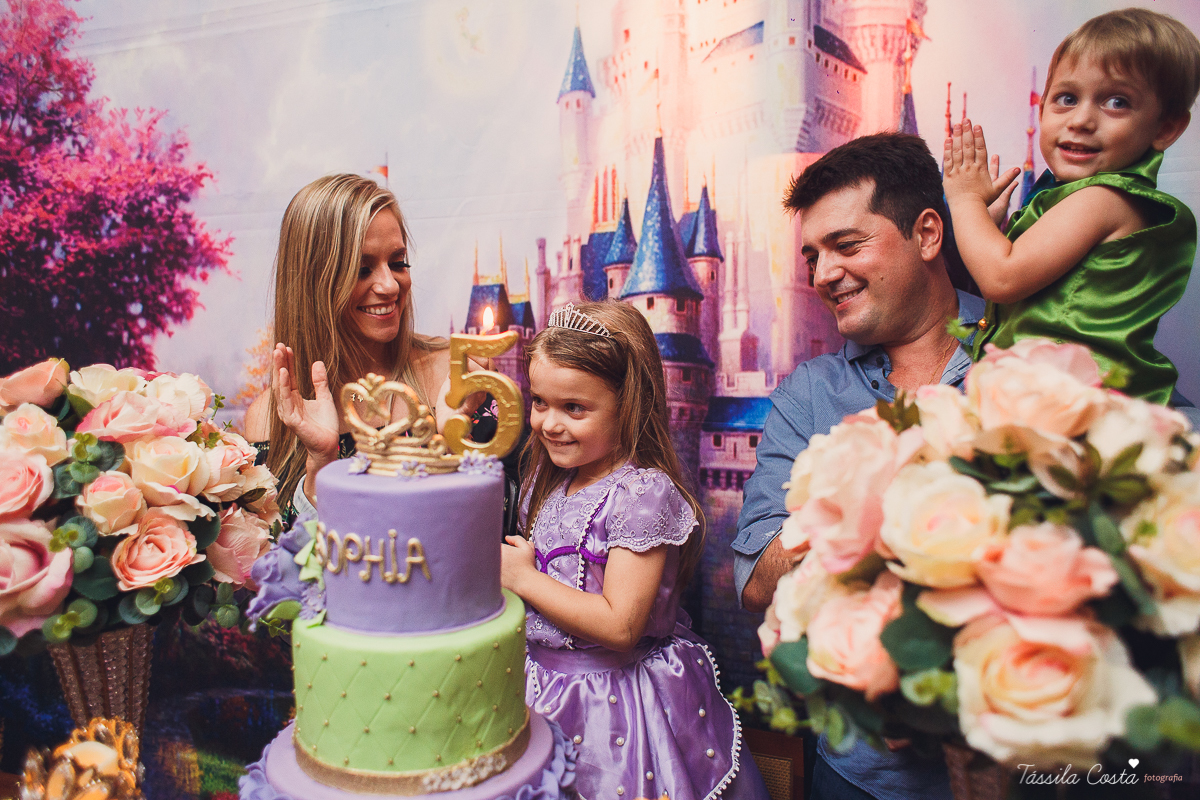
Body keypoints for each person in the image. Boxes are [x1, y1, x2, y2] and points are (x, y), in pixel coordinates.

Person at [735, 132, 976, 800]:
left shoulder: (1028, 352)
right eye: (812, 255)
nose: (820, 275)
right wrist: (863, 485)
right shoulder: (811, 394)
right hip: (859, 777)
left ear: (927, 233)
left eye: (847, 245)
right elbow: (756, 579)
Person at [500, 301, 769, 800]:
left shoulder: (641, 494)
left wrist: (522, 578)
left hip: (616, 704)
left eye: (574, 408)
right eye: (540, 402)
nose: (549, 424)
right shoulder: (547, 478)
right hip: (543, 689)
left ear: (629, 404)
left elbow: (621, 626)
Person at [943, 8, 1200, 404]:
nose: (1081, 119)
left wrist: (964, 200)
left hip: (1080, 409)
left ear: (1164, 128)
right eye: (1066, 98)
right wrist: (991, 229)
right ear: (1042, 107)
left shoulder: (1102, 199)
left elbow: (1002, 278)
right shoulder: (1086, 198)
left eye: (1116, 102)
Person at [244, 174, 456, 518]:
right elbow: (284, 562)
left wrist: (452, 443)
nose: (389, 285)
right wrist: (320, 466)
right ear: (314, 282)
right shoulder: (269, 419)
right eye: (361, 270)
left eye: (398, 262)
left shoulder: (453, 375)